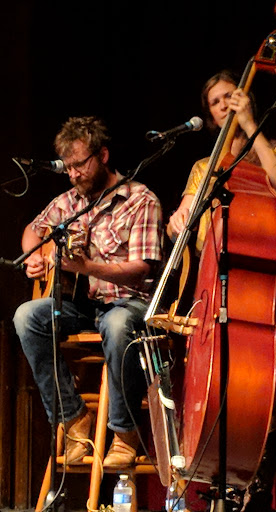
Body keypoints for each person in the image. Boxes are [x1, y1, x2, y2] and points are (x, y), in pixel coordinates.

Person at [167, 70, 276, 512]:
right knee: (209, 390)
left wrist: (250, 127)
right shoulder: (204, 168)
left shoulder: (275, 148)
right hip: (209, 291)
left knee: (261, 395)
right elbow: (187, 217)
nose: (224, 106)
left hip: (258, 289)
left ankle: (256, 490)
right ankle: (213, 484)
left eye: (231, 98)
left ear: (246, 99)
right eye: (216, 103)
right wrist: (178, 219)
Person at [13, 116, 163, 467]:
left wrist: (86, 268)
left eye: (80, 164)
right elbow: (33, 230)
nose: (74, 174)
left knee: (116, 325)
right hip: (82, 305)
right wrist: (35, 257)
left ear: (103, 155)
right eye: (68, 169)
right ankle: (73, 419)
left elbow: (142, 268)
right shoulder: (68, 201)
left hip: (130, 304)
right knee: (27, 317)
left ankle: (124, 435)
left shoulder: (141, 201)